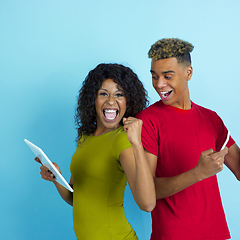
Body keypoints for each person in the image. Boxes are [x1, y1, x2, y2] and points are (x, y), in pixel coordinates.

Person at [136, 38, 240, 240]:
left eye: (167, 76)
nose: (159, 84)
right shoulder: (147, 121)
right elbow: (148, 192)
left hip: (215, 234)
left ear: (188, 73)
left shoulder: (210, 118)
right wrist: (198, 173)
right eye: (154, 76)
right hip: (173, 235)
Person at [34, 63, 156, 240]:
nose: (111, 101)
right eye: (103, 94)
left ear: (128, 101)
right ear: (93, 99)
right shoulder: (85, 137)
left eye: (119, 94)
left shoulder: (123, 140)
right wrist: (56, 178)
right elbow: (77, 199)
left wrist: (137, 144)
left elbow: (147, 204)